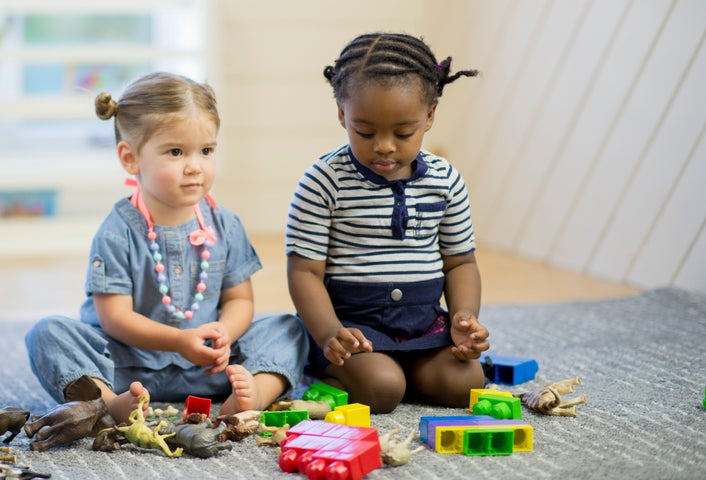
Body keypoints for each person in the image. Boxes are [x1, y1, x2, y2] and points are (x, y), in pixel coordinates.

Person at [25, 72, 308, 424]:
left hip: (209, 367)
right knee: (47, 333)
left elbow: (240, 299)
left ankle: (255, 392)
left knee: (288, 327)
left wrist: (225, 333)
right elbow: (115, 317)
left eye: (206, 151)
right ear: (130, 159)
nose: (194, 166)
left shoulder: (226, 224)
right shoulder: (117, 232)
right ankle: (109, 401)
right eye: (176, 152)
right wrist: (177, 340)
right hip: (126, 366)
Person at [286, 33, 490, 414]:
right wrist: (329, 332)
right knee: (382, 389)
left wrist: (465, 317)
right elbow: (304, 272)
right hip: (352, 328)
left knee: (465, 385)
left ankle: (411, 365)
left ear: (429, 117)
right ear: (342, 115)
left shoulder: (445, 180)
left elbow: (461, 262)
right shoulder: (323, 181)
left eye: (402, 133)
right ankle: (327, 371)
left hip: (423, 325)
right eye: (365, 131)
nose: (383, 146)